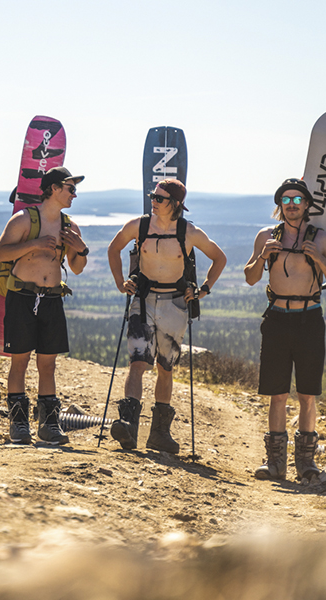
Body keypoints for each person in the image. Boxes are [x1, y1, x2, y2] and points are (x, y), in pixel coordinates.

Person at [106, 179, 227, 453]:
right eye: (153, 196)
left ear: (175, 204)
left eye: (159, 198)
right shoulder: (139, 225)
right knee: (138, 360)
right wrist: (119, 281)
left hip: (175, 303)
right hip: (144, 300)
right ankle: (128, 425)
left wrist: (203, 290)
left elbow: (219, 258)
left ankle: (159, 434)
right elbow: (113, 249)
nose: (153, 201)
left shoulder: (189, 232)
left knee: (165, 366)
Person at [243, 178, 326, 480]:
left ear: (306, 205)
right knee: (277, 393)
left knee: (307, 394)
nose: (291, 205)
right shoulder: (266, 236)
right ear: (280, 205)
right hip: (276, 319)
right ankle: (274, 463)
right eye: (286, 200)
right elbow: (250, 278)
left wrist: (318, 258)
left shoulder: (322, 239)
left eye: (297, 200)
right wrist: (263, 256)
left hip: (309, 320)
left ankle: (306, 463)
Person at [0, 166, 89, 445]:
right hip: (22, 296)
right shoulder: (23, 220)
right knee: (20, 362)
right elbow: (0, 253)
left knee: (48, 365)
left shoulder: (70, 226)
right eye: (70, 188)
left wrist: (80, 249)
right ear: (54, 189)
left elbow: (77, 268)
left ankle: (48, 425)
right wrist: (34, 243)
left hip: (51, 299)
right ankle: (19, 424)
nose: (74, 194)